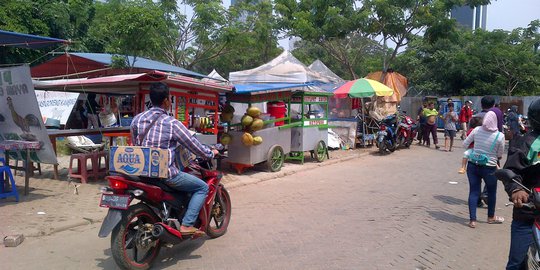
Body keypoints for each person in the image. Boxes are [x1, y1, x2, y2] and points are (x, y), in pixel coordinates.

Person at [131, 82, 219, 235]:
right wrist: (210, 153)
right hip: (165, 174)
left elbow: (135, 142)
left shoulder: (137, 119)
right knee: (202, 188)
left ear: (151, 100)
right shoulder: (171, 123)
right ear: (166, 101)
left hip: (142, 172)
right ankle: (187, 225)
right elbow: (193, 145)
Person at [502, 99, 540, 269]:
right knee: (516, 263)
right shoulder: (527, 142)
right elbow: (511, 170)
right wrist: (516, 189)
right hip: (528, 213)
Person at [463, 111, 505, 228]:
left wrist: (476, 149)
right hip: (490, 167)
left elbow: (465, 144)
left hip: (473, 165)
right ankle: (490, 217)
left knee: (474, 192)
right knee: (491, 192)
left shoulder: (476, 130)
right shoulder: (500, 135)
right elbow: (500, 153)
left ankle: (472, 220)